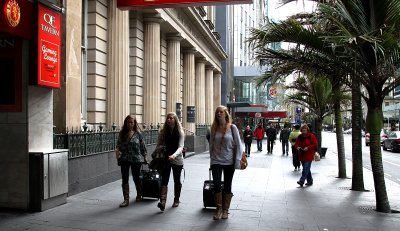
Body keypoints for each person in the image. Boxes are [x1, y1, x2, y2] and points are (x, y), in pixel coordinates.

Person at [209, 105, 243, 220]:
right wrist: (211, 160)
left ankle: (225, 210)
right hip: (216, 160)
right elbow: (211, 145)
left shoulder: (232, 127)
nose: (219, 114)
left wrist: (237, 160)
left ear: (225, 114)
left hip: (229, 161)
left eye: (221, 112)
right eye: (217, 112)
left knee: (228, 186)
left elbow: (239, 145)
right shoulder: (214, 128)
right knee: (217, 184)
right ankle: (218, 209)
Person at [115, 115, 148, 207]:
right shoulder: (122, 133)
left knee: (136, 177)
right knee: (125, 178)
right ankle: (126, 199)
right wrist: (118, 154)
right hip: (125, 159)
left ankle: (139, 194)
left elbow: (143, 147)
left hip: (136, 159)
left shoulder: (138, 134)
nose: (130, 124)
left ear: (134, 123)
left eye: (132, 122)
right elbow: (118, 146)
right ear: (126, 123)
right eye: (128, 122)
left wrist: (145, 157)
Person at [156, 112, 184, 211]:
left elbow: (181, 147)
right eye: (168, 118)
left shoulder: (180, 132)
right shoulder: (163, 131)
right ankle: (162, 202)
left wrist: (174, 155)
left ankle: (176, 199)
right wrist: (160, 148)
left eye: (171, 118)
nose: (169, 120)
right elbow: (158, 144)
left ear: (175, 120)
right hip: (166, 159)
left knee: (177, 180)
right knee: (164, 180)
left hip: (177, 159)